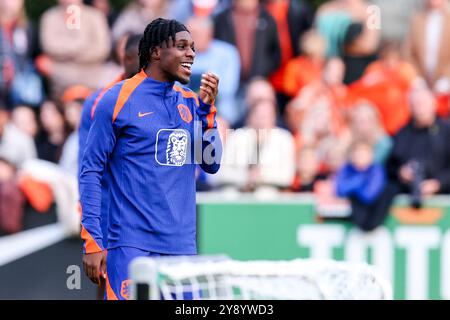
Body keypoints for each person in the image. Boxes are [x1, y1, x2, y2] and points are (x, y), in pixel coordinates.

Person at [79, 18, 222, 300]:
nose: (192, 54)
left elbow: (211, 163)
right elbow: (91, 170)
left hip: (181, 247)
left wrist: (207, 112)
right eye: (182, 47)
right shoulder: (116, 99)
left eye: (193, 48)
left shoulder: (191, 101)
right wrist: (92, 241)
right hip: (131, 245)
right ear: (157, 52)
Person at [387, 87, 450, 206]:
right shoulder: (401, 134)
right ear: (409, 107)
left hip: (444, 199)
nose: (420, 108)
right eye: (416, 104)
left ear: (434, 103)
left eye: (423, 103)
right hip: (407, 199)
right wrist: (401, 173)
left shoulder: (446, 131)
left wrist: (438, 184)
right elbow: (390, 166)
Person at [335, 140, 391, 232]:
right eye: (357, 154)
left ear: (370, 155)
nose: (360, 157)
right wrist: (360, 179)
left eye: (363, 153)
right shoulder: (346, 168)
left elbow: (368, 196)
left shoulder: (376, 170)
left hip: (372, 218)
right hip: (353, 220)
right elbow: (340, 190)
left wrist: (353, 187)